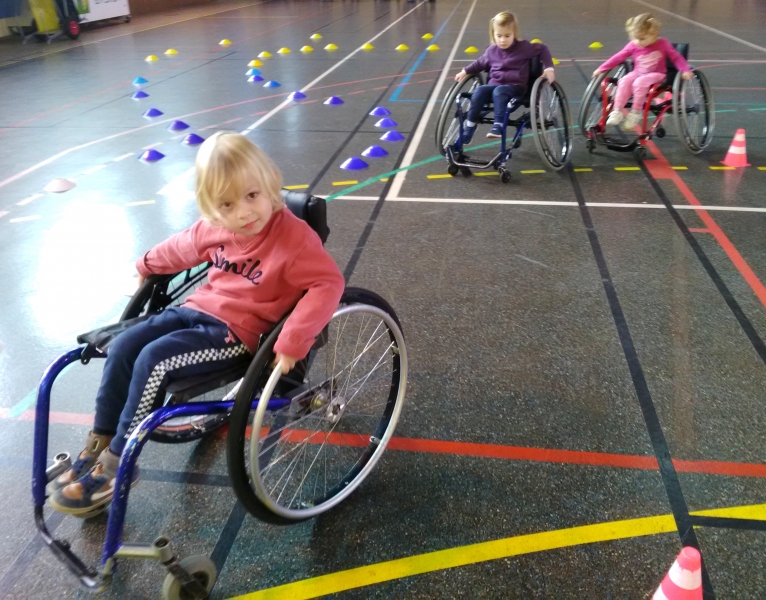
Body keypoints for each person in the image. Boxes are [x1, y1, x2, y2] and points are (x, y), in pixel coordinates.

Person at [48, 132, 345, 516]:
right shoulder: (215, 226)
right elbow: (180, 247)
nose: (243, 212)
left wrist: (293, 341)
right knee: (123, 346)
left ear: (271, 184)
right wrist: (145, 265)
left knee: (154, 360)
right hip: (198, 308)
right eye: (227, 204)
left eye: (252, 196)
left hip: (239, 332)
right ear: (211, 207)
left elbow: (328, 284)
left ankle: (119, 460)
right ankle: (100, 440)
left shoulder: (294, 239)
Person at [453, 11, 555, 144]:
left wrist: (549, 68)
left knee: (499, 91)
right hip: (495, 85)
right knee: (480, 90)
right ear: (493, 34)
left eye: (507, 36)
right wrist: (464, 71)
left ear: (514, 33)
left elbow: (543, 48)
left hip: (515, 86)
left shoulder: (524, 47)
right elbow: (479, 63)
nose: (502, 40)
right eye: (499, 36)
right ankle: (469, 128)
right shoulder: (491, 51)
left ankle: (498, 126)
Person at [593, 13, 692, 131]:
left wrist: (685, 70)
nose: (638, 42)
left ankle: (636, 112)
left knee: (639, 82)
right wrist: (602, 68)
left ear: (653, 33)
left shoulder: (663, 44)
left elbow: (676, 58)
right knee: (623, 81)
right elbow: (618, 57)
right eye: (635, 38)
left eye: (642, 38)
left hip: (658, 75)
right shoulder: (633, 45)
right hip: (638, 72)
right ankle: (617, 111)